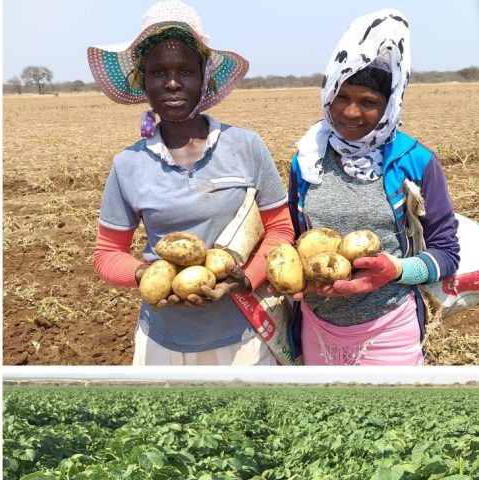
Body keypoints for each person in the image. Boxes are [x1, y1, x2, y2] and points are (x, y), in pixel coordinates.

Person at [88, 0, 294, 366]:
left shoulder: (246, 146)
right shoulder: (128, 164)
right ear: (142, 80)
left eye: (185, 70)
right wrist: (145, 274)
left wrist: (245, 279)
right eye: (158, 72)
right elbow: (106, 254)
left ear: (204, 77)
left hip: (246, 337)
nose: (171, 82)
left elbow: (280, 229)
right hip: (162, 344)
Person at [289, 8, 460, 365]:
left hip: (389, 330)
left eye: (368, 102)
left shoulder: (416, 162)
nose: (351, 113)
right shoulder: (307, 159)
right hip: (316, 329)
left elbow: (446, 254)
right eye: (342, 96)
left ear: (389, 105)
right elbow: (292, 241)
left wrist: (396, 270)